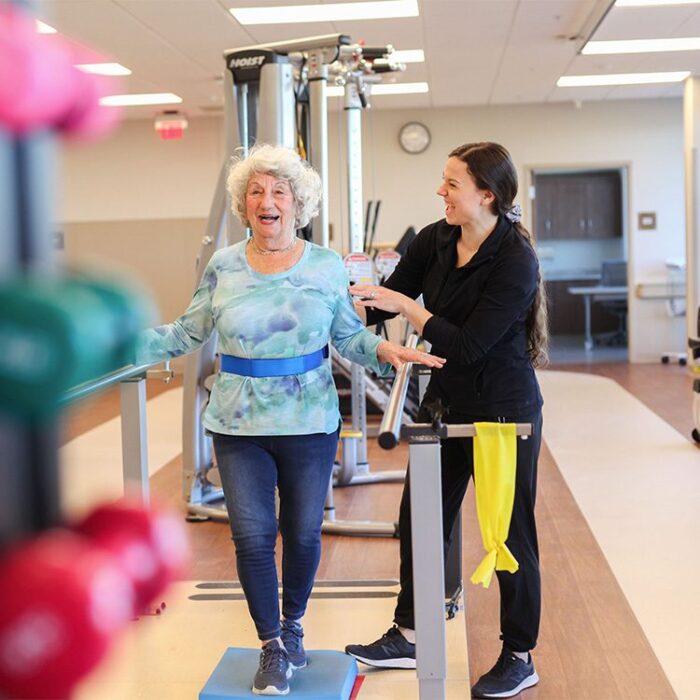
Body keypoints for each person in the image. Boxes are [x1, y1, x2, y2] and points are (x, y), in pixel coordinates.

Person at [135, 144, 444, 696]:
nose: (266, 200)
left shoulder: (324, 266)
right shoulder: (224, 264)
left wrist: (385, 351)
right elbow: (187, 332)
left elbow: (348, 337)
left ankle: (296, 626)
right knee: (253, 539)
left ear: (297, 204)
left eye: (279, 191)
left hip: (309, 419)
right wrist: (121, 343)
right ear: (243, 203)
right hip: (236, 423)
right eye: (256, 191)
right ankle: (272, 643)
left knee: (302, 534)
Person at [345, 142, 547, 699]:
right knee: (420, 519)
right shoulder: (438, 238)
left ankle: (518, 653)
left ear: (488, 194)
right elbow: (392, 297)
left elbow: (471, 345)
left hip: (503, 412)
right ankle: (411, 631)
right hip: (446, 403)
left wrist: (410, 310)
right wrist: (345, 291)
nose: (441, 192)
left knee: (508, 533)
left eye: (452, 183)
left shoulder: (514, 261)